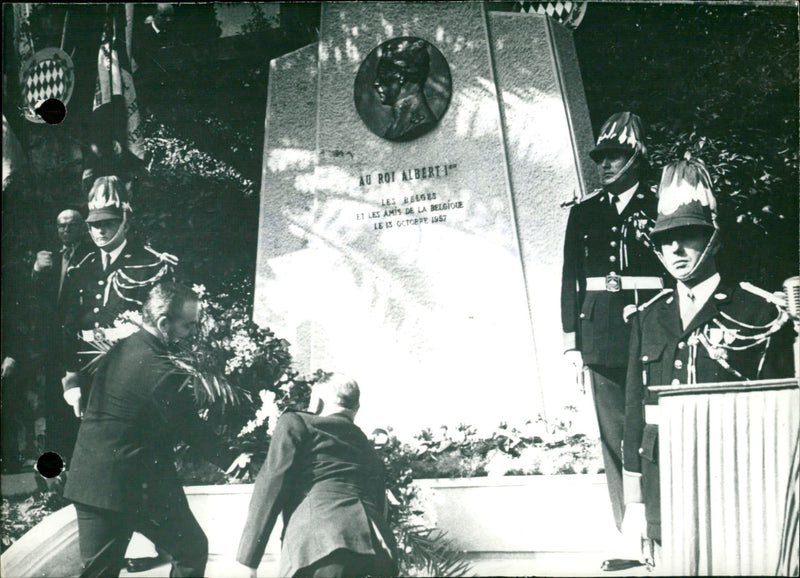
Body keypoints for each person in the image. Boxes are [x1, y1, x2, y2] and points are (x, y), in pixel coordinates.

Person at [621, 158, 794, 567]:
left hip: (737, 483)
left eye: (687, 236)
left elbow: (781, 418)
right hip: (665, 482)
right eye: (666, 240)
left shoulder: (756, 311)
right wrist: (635, 502)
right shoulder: (648, 317)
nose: (675, 250)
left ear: (713, 238)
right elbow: (632, 413)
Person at [63, 282, 249, 577]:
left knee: (99, 573)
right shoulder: (161, 370)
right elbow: (189, 427)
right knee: (190, 550)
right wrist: (232, 459)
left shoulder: (122, 348)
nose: (192, 333)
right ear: (164, 323)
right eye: (188, 326)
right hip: (135, 484)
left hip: (91, 483)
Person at [560, 111, 664, 571]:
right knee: (614, 435)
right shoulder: (585, 211)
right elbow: (571, 279)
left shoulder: (660, 203)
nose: (604, 165)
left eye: (615, 156)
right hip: (599, 332)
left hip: (651, 326)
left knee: (653, 431)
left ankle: (662, 529)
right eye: (600, 157)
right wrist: (571, 342)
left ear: (635, 157)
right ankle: (628, 534)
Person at [236, 373, 398, 578]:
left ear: (317, 401)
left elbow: (272, 483)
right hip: (377, 550)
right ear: (355, 409)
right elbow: (378, 499)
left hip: (322, 545)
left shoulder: (296, 422)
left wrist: (248, 559)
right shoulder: (364, 442)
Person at [60, 175, 178, 420]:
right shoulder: (81, 267)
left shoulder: (151, 265)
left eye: (108, 223)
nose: (100, 230)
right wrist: (71, 380)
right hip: (88, 379)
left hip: (134, 378)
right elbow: (69, 327)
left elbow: (164, 331)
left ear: (125, 221)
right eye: (94, 224)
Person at [30, 209, 92, 460]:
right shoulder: (50, 259)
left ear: (82, 228)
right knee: (55, 406)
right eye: (61, 226)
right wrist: (35, 269)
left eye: (72, 225)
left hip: (80, 342)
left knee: (79, 404)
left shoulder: (92, 255)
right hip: (54, 345)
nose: (66, 231)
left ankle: (80, 465)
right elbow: (34, 298)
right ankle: (56, 474)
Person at [374, 38, 438, 142]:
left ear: (402, 77)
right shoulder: (397, 127)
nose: (376, 83)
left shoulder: (421, 125)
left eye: (383, 74)